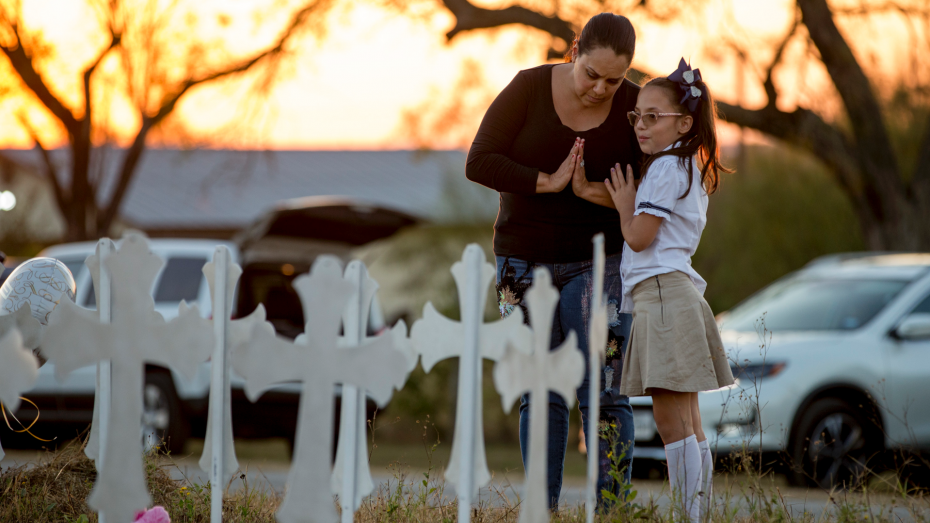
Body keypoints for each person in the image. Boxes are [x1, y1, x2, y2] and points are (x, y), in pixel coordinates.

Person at [466, 12, 643, 510]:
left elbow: (651, 190)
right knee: (539, 386)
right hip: (521, 263)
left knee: (606, 388)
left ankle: (611, 511)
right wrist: (546, 182)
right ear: (574, 51)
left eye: (614, 80)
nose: (601, 89)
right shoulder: (527, 88)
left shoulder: (636, 106)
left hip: (603, 263)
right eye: (592, 74)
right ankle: (540, 510)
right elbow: (479, 160)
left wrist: (589, 191)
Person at [604, 58, 735, 522]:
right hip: (676, 294)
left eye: (653, 117)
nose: (641, 125)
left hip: (662, 297)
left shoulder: (664, 168)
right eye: (637, 116)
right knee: (689, 421)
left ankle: (688, 516)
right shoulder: (687, 165)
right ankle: (697, 514)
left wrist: (625, 205)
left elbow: (640, 237)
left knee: (670, 421)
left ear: (684, 123)